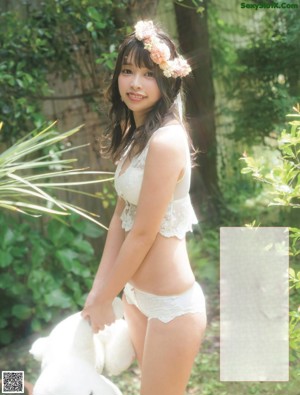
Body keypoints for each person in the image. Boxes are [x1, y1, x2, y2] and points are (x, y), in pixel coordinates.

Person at [82, 20, 207, 395]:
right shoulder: (135, 135)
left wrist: (105, 298)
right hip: (136, 296)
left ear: (166, 81)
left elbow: (143, 233)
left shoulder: (167, 140)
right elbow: (121, 218)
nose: (135, 83)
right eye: (127, 71)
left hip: (173, 307)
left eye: (148, 74)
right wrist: (99, 292)